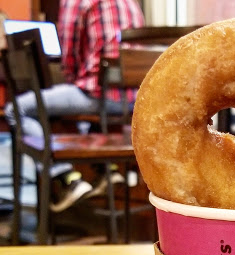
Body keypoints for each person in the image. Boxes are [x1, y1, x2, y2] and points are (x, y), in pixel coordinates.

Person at [5, 0, 145, 213]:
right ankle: (106, 170)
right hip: (133, 98)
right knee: (85, 120)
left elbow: (69, 58)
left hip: (99, 95)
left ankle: (65, 178)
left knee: (17, 109)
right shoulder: (131, 2)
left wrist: (71, 81)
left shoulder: (77, 2)